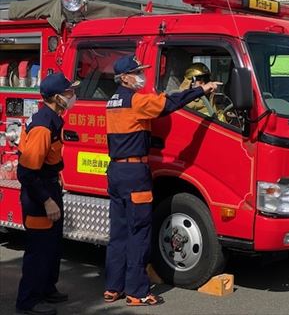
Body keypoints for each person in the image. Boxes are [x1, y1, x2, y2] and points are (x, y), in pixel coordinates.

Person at [104, 55, 220, 306]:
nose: (141, 76)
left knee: (119, 233)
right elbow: (168, 103)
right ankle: (137, 291)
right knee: (139, 233)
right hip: (135, 174)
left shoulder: (112, 102)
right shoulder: (136, 101)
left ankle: (114, 287)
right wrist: (201, 89)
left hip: (115, 172)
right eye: (137, 73)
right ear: (124, 77)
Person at [16, 72, 79, 315]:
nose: (72, 95)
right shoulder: (43, 126)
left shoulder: (52, 118)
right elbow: (27, 173)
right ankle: (28, 301)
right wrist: (47, 200)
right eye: (68, 92)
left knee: (51, 248)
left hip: (48, 186)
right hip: (38, 194)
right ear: (55, 97)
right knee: (39, 251)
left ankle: (46, 289)